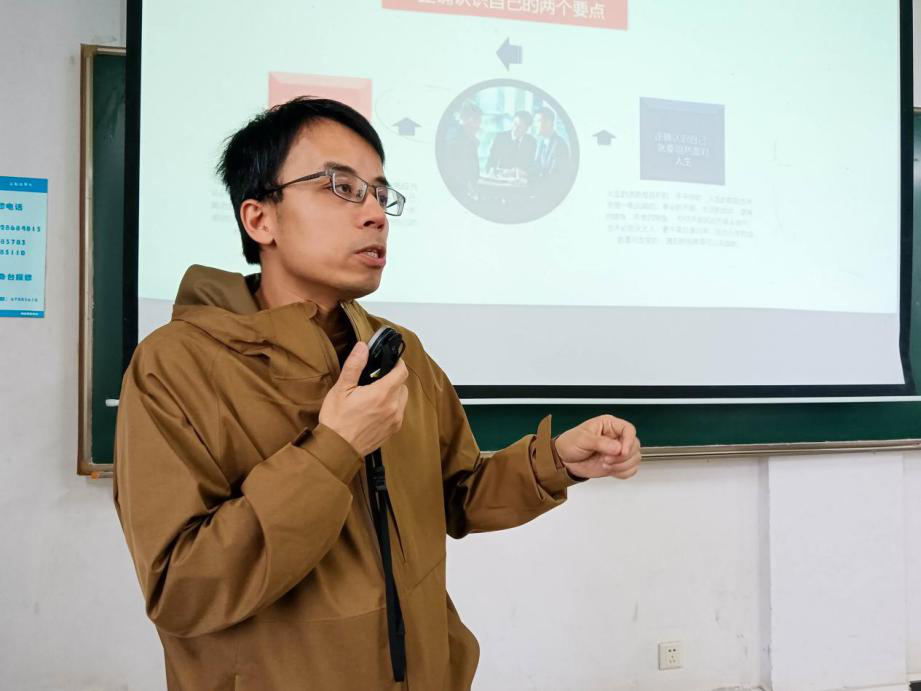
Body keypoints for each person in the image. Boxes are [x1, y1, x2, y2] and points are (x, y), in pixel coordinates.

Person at [114, 96, 642, 691]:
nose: (374, 214)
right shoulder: (175, 366)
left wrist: (557, 461)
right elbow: (182, 588)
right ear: (259, 219)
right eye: (340, 187)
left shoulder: (397, 351)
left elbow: (455, 494)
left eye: (380, 193)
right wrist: (334, 448)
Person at [486, 110, 536, 178]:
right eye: (515, 124)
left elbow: (533, 167)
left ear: (526, 129)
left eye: (520, 127)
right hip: (501, 178)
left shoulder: (531, 142)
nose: (515, 128)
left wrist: (522, 173)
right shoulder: (500, 138)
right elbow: (490, 162)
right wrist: (493, 171)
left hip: (521, 181)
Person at [532, 106, 571, 181]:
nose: (535, 125)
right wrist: (523, 174)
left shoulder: (560, 145)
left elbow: (555, 175)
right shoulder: (540, 142)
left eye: (538, 121)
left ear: (548, 123)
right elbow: (536, 167)